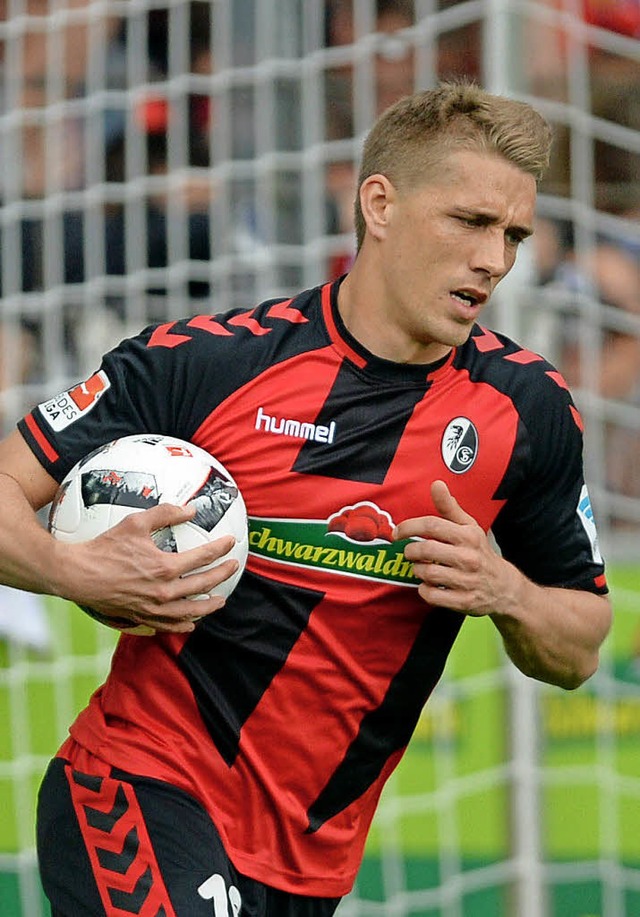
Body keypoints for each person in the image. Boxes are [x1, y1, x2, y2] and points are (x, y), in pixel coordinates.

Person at [0, 82, 612, 916]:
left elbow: (581, 643)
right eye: (470, 222)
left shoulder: (526, 410)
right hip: (142, 782)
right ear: (380, 204)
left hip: (310, 867)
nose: (495, 260)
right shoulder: (206, 365)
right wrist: (73, 569)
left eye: (513, 235)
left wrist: (504, 591)